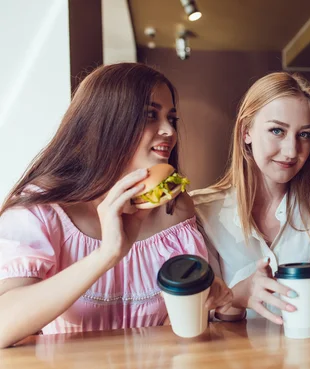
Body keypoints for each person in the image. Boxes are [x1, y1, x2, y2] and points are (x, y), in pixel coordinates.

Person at [0, 63, 232, 348]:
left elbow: (173, 329)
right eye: (150, 115)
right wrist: (107, 254)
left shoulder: (175, 207)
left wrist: (203, 301)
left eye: (171, 118)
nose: (169, 131)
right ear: (106, 122)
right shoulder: (42, 210)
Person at [192, 72, 310, 324]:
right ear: (245, 132)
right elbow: (201, 321)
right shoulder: (201, 213)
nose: (292, 151)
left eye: (304, 134)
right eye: (277, 131)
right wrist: (235, 297)